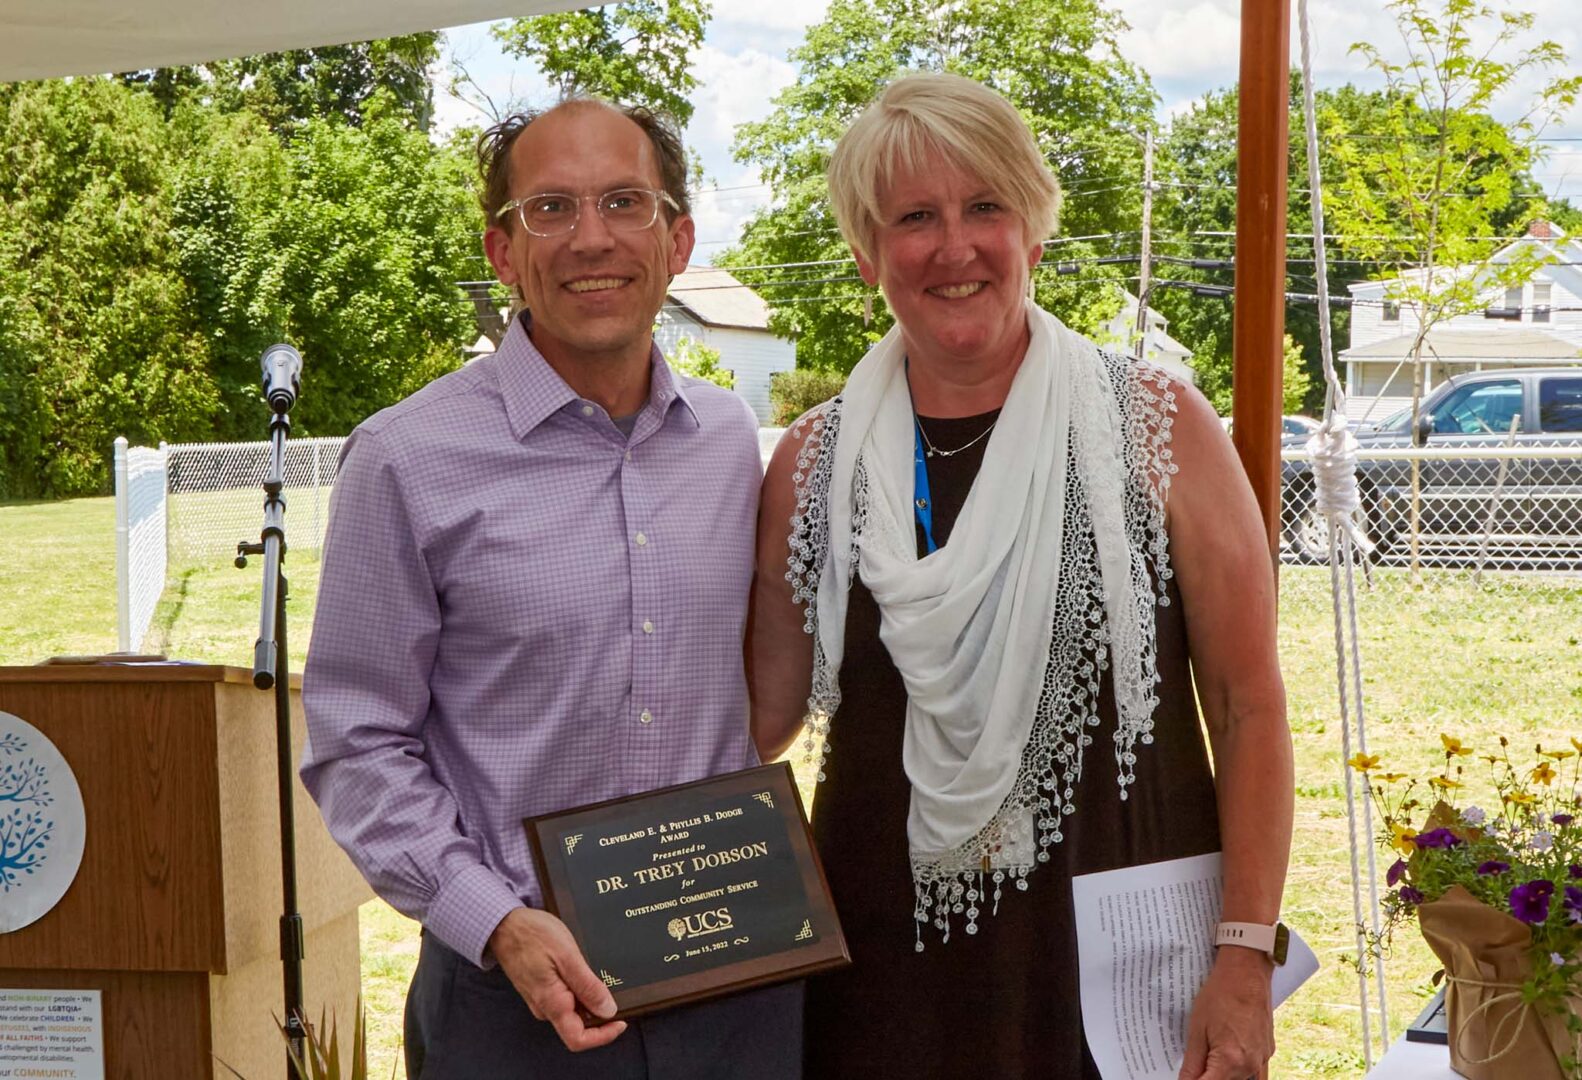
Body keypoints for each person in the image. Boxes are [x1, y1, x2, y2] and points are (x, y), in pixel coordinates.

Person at [747, 72, 1293, 1080]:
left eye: (985, 206)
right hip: (884, 971)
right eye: (914, 217)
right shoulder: (810, 465)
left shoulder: (1157, 428)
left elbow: (1248, 704)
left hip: (1120, 970)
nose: (954, 246)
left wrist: (1245, 954)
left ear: (1033, 231)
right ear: (869, 254)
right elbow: (756, 718)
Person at [301, 98, 800, 1079]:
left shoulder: (729, 443)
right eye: (551, 209)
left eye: (625, 202)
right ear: (502, 249)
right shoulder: (406, 461)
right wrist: (495, 924)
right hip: (516, 995)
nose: (592, 239)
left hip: (736, 984)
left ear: (676, 238)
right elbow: (359, 745)